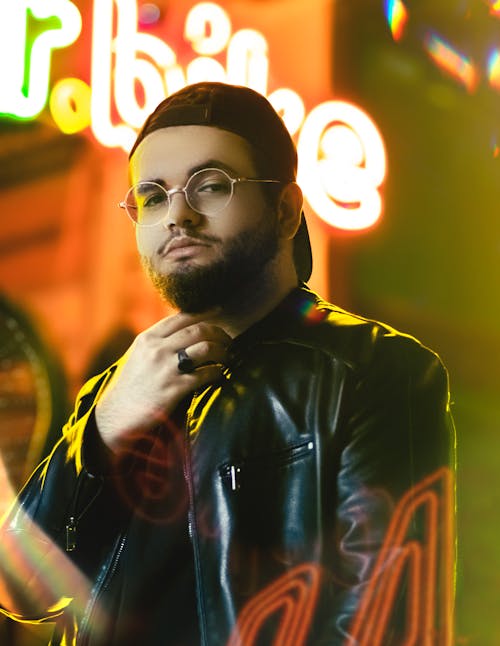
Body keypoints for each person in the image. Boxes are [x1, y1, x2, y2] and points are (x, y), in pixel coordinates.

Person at [0, 82, 455, 645]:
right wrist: (105, 428)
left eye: (211, 185)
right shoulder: (113, 392)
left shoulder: (373, 372)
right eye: (152, 195)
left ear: (286, 210)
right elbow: (19, 590)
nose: (178, 215)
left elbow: (386, 627)